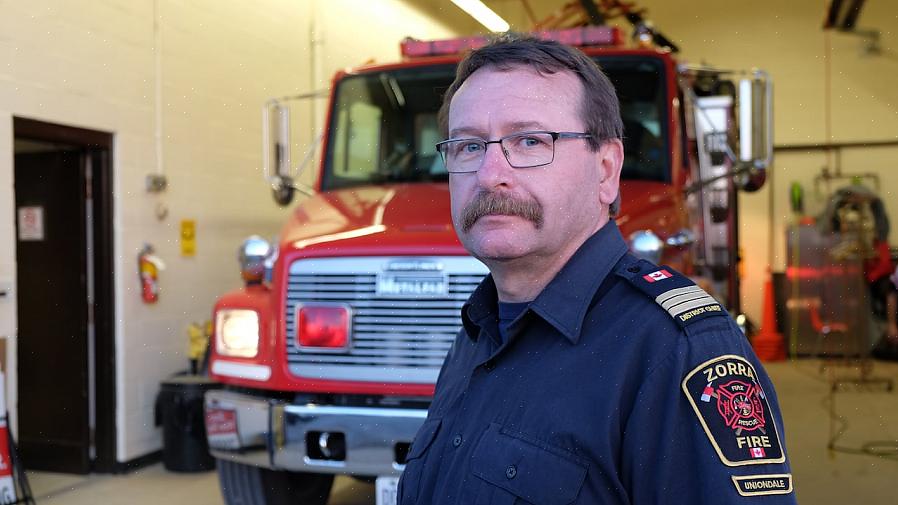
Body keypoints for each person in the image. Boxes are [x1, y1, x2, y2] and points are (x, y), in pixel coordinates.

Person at [397, 36, 796, 504]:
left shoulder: (675, 352)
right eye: (467, 147)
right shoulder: (479, 332)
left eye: (530, 141)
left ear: (606, 170)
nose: (489, 174)